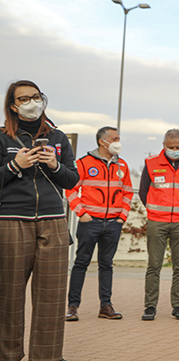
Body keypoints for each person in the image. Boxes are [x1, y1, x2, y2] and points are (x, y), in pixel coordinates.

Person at [0, 80, 82, 361]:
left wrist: (54, 164)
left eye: (36, 97)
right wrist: (14, 165)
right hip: (11, 220)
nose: (32, 103)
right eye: (24, 99)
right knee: (9, 292)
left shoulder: (57, 137)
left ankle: (47, 358)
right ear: (12, 105)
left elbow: (72, 180)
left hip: (52, 219)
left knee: (51, 292)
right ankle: (9, 360)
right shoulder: (2, 138)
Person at [65, 126, 133, 322]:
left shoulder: (122, 166)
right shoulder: (84, 163)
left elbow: (128, 192)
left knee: (107, 265)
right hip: (90, 222)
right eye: (114, 138)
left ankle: (106, 306)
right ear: (102, 142)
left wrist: (122, 216)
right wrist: (82, 214)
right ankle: (72, 306)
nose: (118, 142)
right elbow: (70, 189)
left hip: (113, 223)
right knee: (81, 263)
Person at [140, 128, 179, 321]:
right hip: (157, 221)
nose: (175, 150)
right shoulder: (151, 163)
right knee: (154, 265)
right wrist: (154, 211)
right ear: (163, 145)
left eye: (178, 147)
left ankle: (178, 306)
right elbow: (143, 192)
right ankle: (150, 307)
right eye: (171, 147)